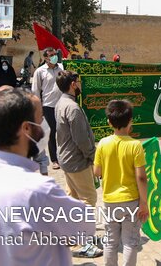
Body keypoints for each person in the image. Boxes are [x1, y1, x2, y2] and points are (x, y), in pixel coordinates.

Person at [0, 88, 96, 265]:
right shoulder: (39, 190)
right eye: (40, 119)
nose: (44, 126)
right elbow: (84, 229)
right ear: (26, 128)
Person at [93, 100, 149, 266]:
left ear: (109, 122)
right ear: (131, 120)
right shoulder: (135, 146)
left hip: (110, 202)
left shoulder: (102, 143)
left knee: (110, 241)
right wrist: (144, 202)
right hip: (131, 201)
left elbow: (97, 172)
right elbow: (141, 177)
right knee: (130, 242)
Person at [55, 71, 100, 228]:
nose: (80, 84)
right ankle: (85, 240)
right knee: (88, 198)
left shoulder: (61, 103)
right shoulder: (72, 108)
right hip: (77, 161)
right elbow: (81, 139)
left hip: (66, 159)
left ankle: (70, 234)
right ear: (73, 85)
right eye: (78, 82)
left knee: (73, 198)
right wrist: (93, 156)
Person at [32, 47, 63, 170]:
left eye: (55, 54)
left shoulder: (61, 68)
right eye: (52, 55)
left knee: (63, 132)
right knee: (52, 133)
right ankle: (54, 159)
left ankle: (63, 157)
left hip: (61, 105)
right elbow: (35, 91)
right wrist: (38, 109)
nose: (54, 56)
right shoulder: (40, 71)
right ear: (46, 57)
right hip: (48, 106)